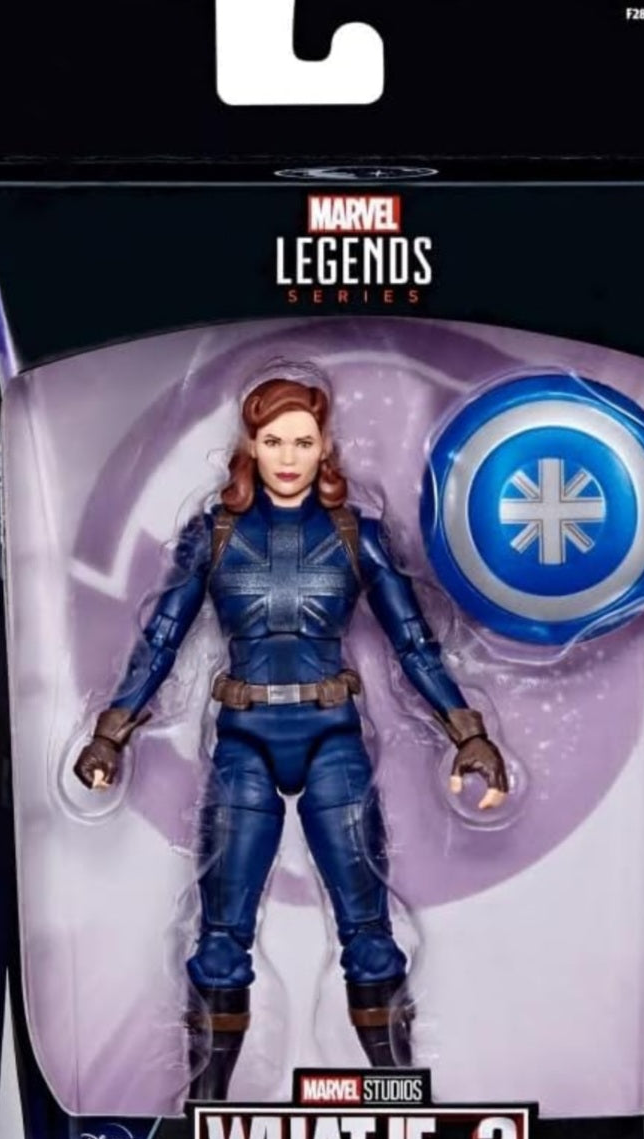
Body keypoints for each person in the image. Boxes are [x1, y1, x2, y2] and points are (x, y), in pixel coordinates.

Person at [75, 375, 508, 1097]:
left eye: (302, 441)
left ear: (323, 446)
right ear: (250, 444)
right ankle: (206, 1107)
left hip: (332, 738)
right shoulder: (215, 534)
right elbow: (161, 640)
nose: (287, 456)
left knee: (368, 930)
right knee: (221, 935)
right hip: (244, 741)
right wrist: (111, 731)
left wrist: (466, 732)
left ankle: (398, 1093)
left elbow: (413, 643)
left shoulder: (356, 535)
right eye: (273, 440)